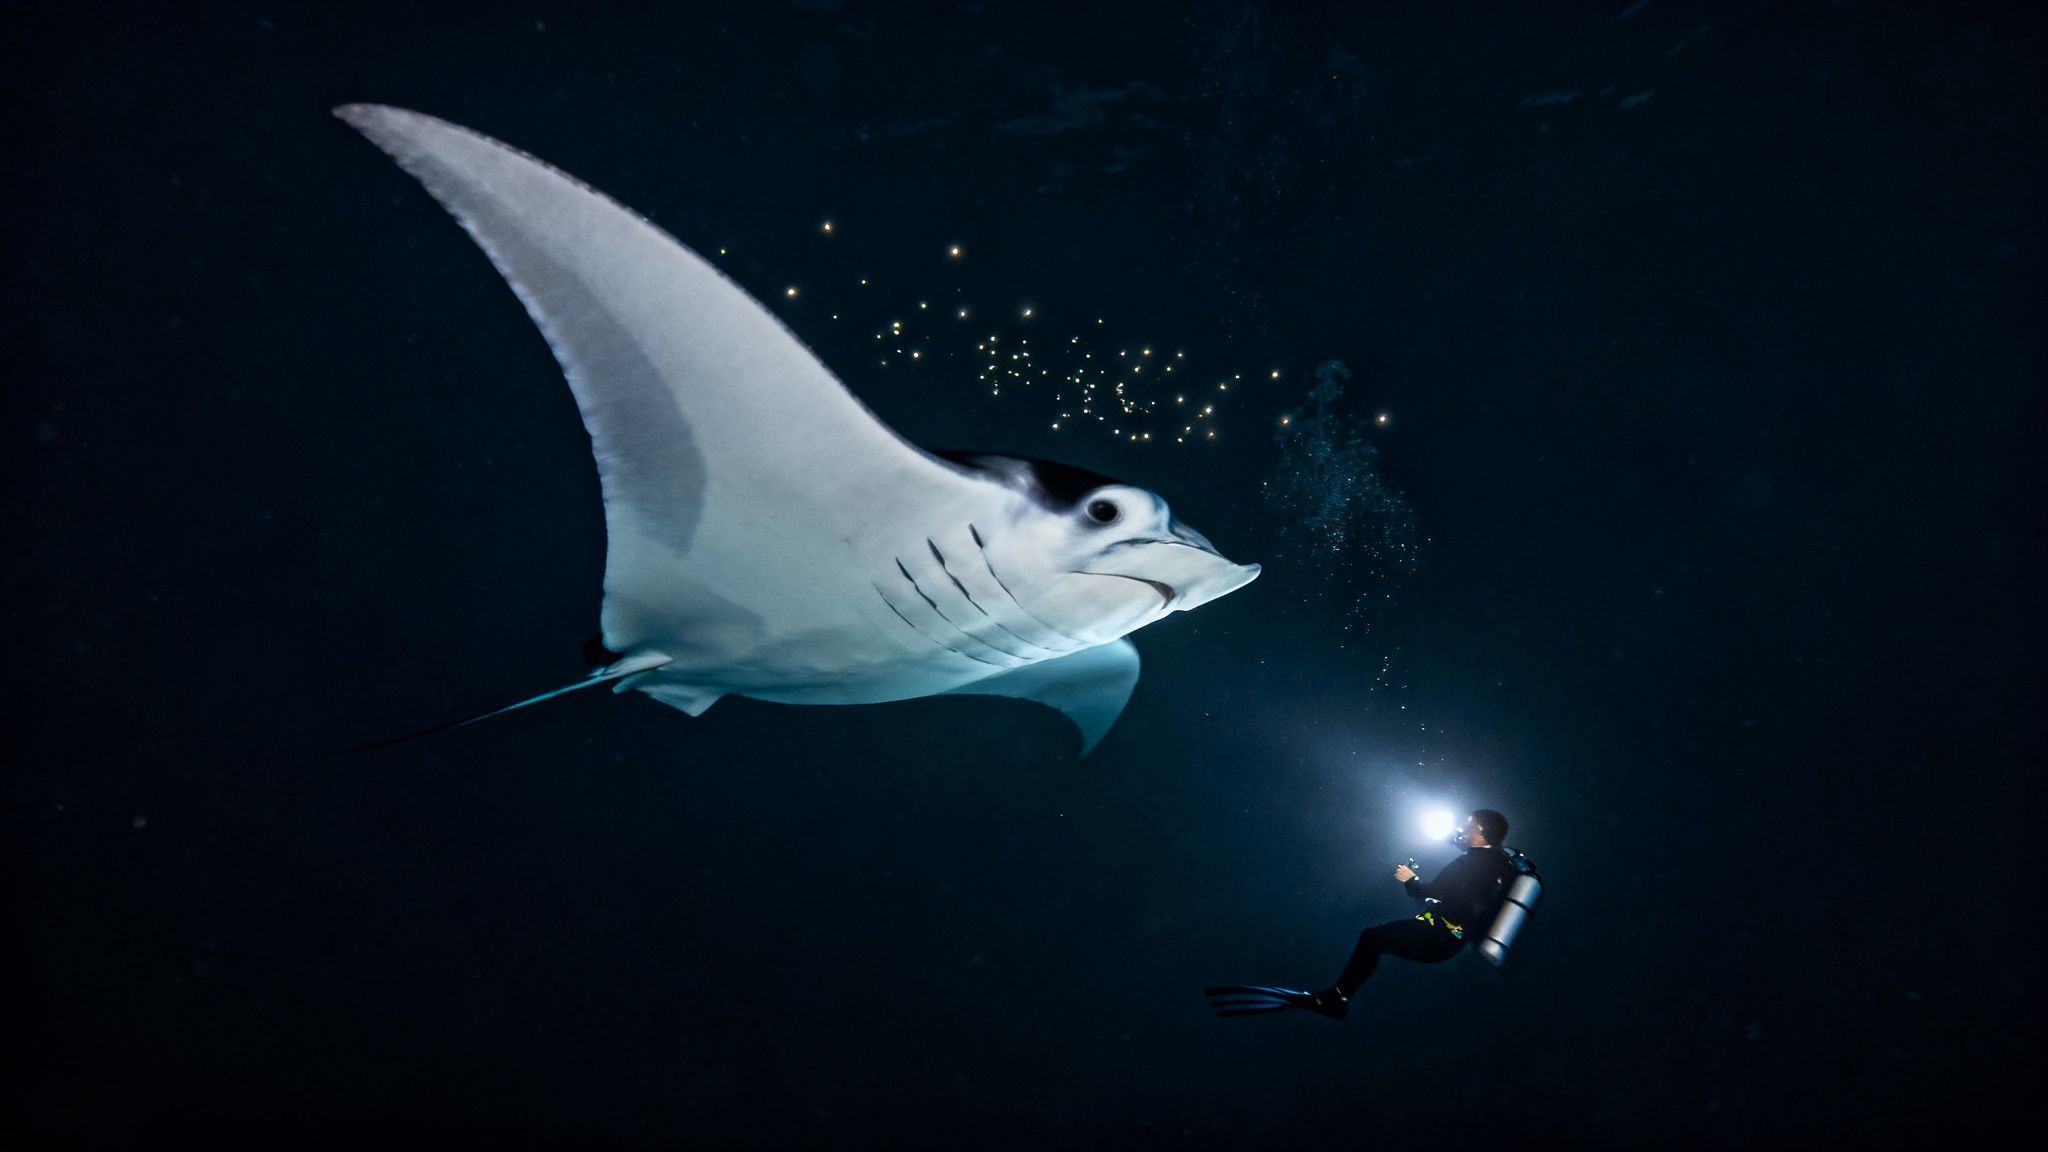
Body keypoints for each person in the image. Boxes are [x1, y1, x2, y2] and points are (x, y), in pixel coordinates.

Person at [1206, 808, 1519, 1021]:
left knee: (1372, 939)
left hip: (1436, 937)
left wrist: (1409, 878)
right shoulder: (1502, 864)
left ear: (1480, 829)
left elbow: (1429, 890)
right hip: (1453, 941)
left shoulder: (1469, 863)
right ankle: (1338, 997)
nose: (1463, 828)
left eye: (1468, 823)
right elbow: (1467, 889)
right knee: (1377, 940)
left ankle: (1336, 999)